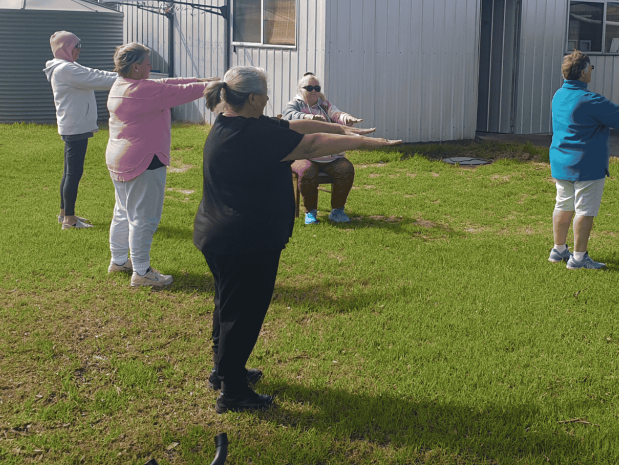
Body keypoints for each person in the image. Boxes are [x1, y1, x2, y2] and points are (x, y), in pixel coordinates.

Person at [194, 66, 400, 414]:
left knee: (228, 306)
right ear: (255, 97)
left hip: (221, 234)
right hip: (245, 240)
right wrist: (363, 142)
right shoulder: (253, 135)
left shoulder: (234, 124)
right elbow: (312, 143)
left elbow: (297, 126)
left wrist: (340, 127)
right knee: (242, 315)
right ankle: (232, 392)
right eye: (267, 91)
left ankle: (224, 371)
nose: (270, 97)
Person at [105, 42, 211, 288]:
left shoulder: (121, 85)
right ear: (135, 67)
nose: (151, 66)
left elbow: (166, 84)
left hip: (120, 157)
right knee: (145, 218)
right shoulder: (141, 91)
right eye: (146, 62)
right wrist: (211, 86)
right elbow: (178, 93)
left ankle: (119, 260)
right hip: (144, 159)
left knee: (123, 212)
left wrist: (201, 79)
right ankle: (141, 272)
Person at [549, 50, 619, 270]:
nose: (591, 71)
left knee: (563, 204)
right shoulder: (590, 100)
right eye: (590, 68)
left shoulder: (559, 95)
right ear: (582, 72)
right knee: (584, 210)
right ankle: (579, 258)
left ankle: (559, 249)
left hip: (561, 161)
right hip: (586, 164)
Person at [43, 31, 118, 229]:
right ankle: (69, 220)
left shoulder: (69, 67)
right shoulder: (65, 70)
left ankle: (64, 214)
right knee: (73, 173)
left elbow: (96, 74)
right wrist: (129, 78)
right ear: (66, 48)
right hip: (74, 126)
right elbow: (99, 80)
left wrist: (123, 75)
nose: (79, 50)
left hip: (74, 125)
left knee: (69, 172)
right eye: (76, 46)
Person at [282, 72, 364, 224]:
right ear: (301, 90)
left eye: (317, 87)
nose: (314, 91)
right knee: (307, 171)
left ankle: (337, 211)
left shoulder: (325, 105)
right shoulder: (295, 104)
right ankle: (310, 212)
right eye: (309, 87)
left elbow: (337, 114)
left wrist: (347, 119)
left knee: (346, 168)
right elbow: (288, 115)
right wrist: (308, 117)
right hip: (302, 155)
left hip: (328, 155)